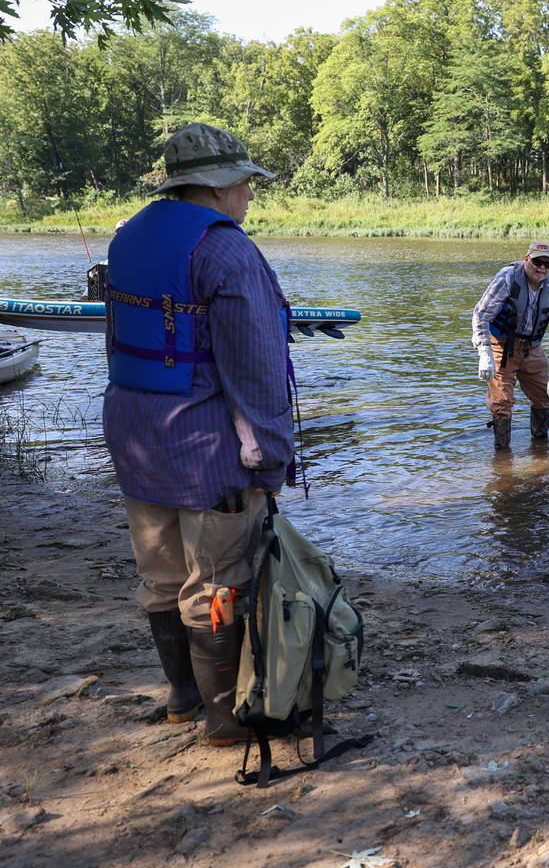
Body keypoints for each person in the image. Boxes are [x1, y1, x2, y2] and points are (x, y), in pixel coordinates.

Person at [102, 122, 291, 746]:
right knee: (217, 578)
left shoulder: (129, 235)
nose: (249, 198)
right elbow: (257, 368)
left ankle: (182, 698)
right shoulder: (227, 250)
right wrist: (270, 460)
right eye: (246, 186)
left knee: (159, 573)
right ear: (223, 186)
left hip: (134, 433)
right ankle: (221, 718)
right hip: (205, 447)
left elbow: (117, 339)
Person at [471, 241, 549, 450]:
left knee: (545, 397)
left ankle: (540, 447)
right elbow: (481, 314)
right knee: (502, 403)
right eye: (537, 262)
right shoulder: (507, 278)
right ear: (527, 259)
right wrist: (484, 351)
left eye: (547, 264)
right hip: (502, 346)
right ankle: (503, 455)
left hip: (532, 348)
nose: (542, 268)